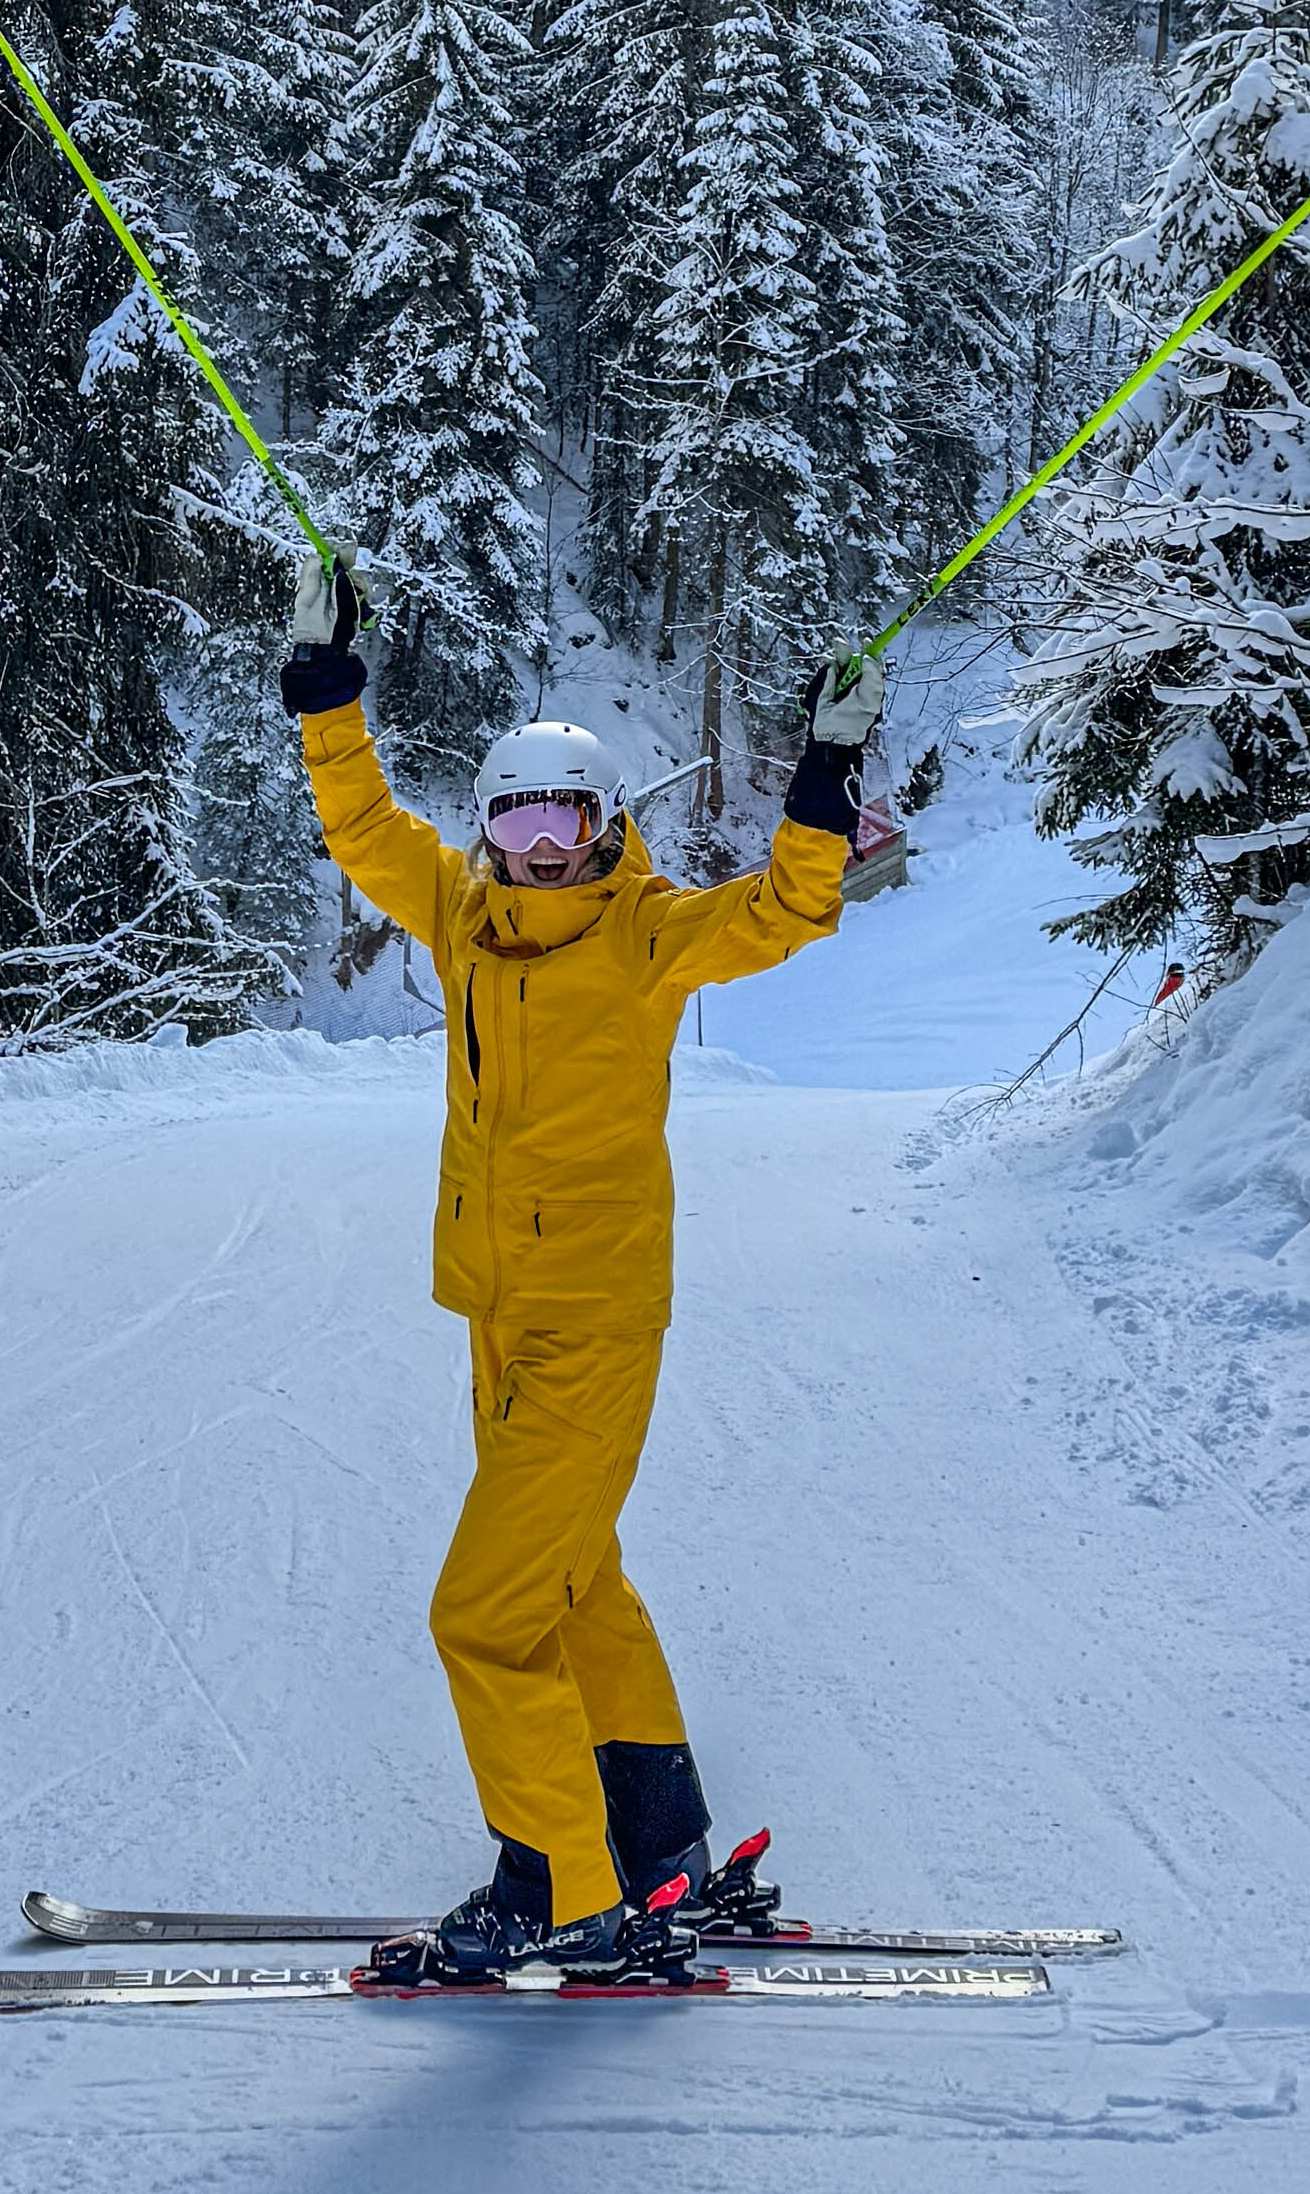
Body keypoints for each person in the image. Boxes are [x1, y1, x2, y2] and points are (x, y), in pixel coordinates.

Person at [282, 544, 888, 1992]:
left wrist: (822, 778)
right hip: (495, 1314)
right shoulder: (465, 918)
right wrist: (324, 689)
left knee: (482, 1615)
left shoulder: (645, 936)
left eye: (567, 817)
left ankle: (559, 1885)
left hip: (594, 1325)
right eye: (517, 816)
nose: (542, 843)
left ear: (608, 825)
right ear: (490, 829)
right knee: (571, 1585)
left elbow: (786, 912)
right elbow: (364, 827)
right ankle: (655, 1840)